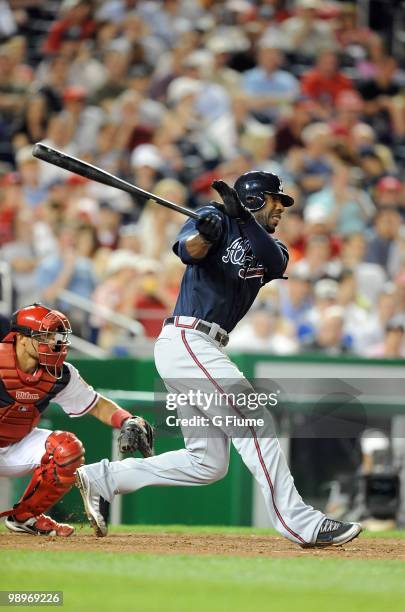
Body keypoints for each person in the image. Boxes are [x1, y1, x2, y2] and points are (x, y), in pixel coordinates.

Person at [76, 170, 361, 548]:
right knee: (255, 420)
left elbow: (274, 264)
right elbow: (186, 251)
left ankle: (103, 478)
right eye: (276, 201)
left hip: (202, 347)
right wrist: (206, 234)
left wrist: (241, 218)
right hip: (188, 338)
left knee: (207, 463)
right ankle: (300, 522)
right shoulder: (211, 217)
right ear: (257, 199)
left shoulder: (271, 244)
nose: (281, 209)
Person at [0, 303, 153, 537]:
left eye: (55, 336)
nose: (53, 342)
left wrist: (127, 420)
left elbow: (97, 404)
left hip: (15, 444)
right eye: (45, 336)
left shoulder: (60, 373)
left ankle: (25, 518)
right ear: (21, 338)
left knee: (67, 450)